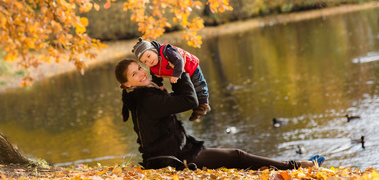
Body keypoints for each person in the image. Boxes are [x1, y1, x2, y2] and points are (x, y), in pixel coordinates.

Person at [115, 58, 325, 170]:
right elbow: (189, 101)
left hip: (166, 155)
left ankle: (287, 168)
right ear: (126, 84)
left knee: (236, 160)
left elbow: (173, 102)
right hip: (174, 159)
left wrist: (170, 77)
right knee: (237, 156)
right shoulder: (148, 99)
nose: (142, 73)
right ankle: (298, 166)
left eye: (140, 67)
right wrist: (181, 72)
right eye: (135, 74)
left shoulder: (141, 98)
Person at [132, 37, 210, 121]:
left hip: (190, 66)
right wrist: (159, 86)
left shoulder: (166, 51)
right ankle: (196, 108)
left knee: (198, 84)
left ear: (154, 50)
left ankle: (203, 104)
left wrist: (176, 75)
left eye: (149, 56)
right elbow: (155, 77)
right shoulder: (153, 67)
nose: (149, 61)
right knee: (187, 90)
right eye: (145, 61)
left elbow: (179, 60)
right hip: (179, 75)